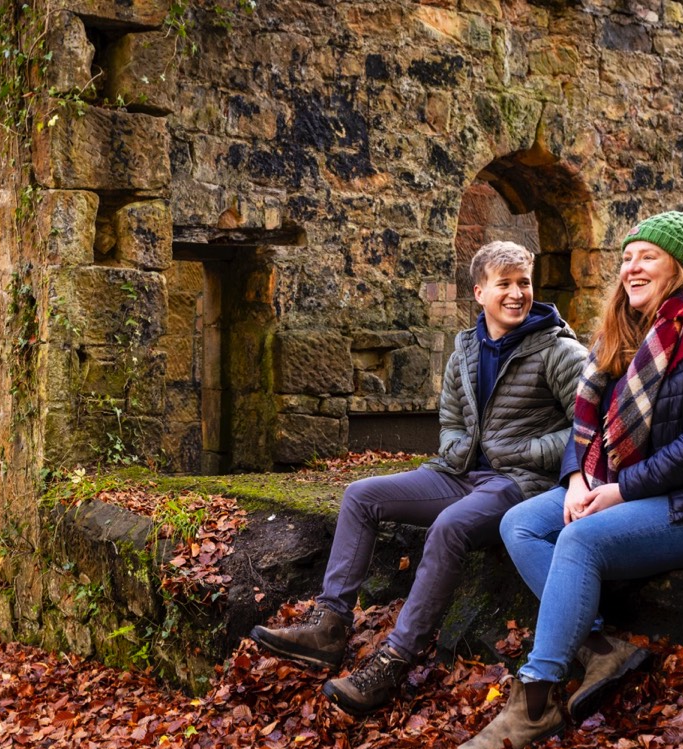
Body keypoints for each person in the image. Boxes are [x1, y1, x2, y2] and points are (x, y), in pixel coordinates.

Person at [454, 211, 683, 749]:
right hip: (621, 484)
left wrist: (621, 492)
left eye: (647, 256)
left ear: (681, 265)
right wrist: (578, 476)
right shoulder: (624, 333)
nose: (632, 268)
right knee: (521, 523)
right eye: (626, 258)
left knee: (580, 539)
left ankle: (536, 697)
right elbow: (584, 421)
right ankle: (601, 646)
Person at [250, 241, 588, 716]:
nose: (517, 294)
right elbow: (449, 420)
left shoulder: (560, 351)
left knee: (449, 526)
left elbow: (590, 428)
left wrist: (527, 451)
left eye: (524, 283)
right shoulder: (464, 351)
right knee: (361, 495)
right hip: (456, 473)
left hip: (518, 484)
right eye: (504, 284)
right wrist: (455, 447)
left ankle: (392, 663)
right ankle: (328, 627)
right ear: (479, 292)